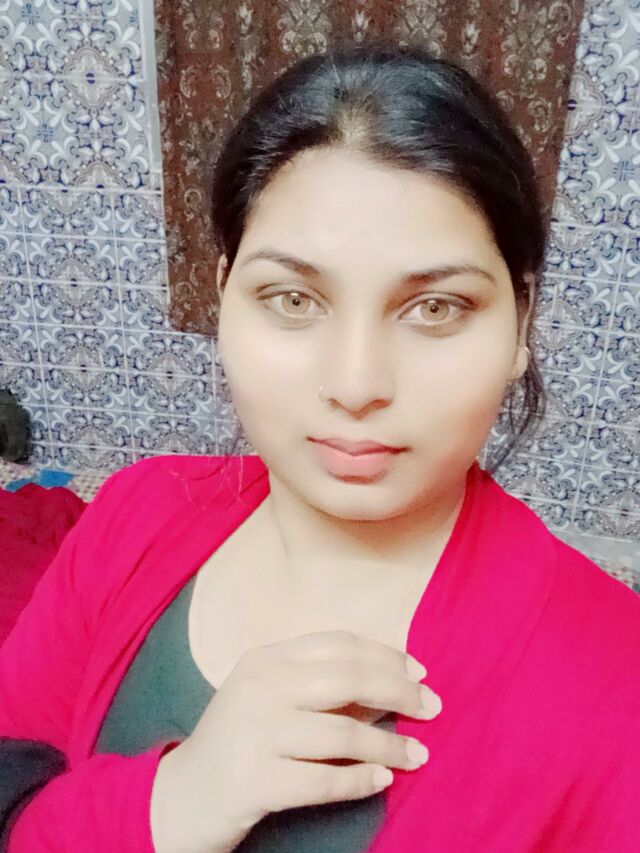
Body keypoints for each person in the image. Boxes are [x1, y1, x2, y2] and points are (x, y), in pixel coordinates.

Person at [1, 42, 639, 853]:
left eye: (436, 307)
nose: (355, 382)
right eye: (293, 298)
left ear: (521, 323)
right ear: (225, 291)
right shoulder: (135, 512)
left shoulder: (616, 683)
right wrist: (166, 804)